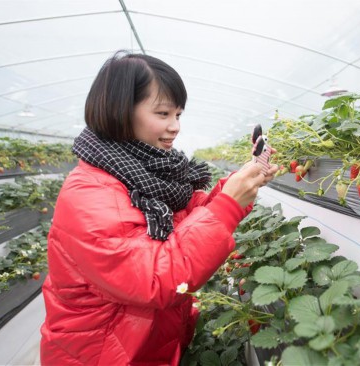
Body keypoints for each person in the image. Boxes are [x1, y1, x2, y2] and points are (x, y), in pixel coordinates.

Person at [40, 51, 278, 365]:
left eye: (178, 114)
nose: (175, 126)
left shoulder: (147, 172)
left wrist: (235, 187)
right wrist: (227, 206)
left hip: (144, 346)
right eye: (163, 113)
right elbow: (155, 279)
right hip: (101, 355)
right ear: (121, 111)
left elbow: (186, 223)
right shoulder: (89, 193)